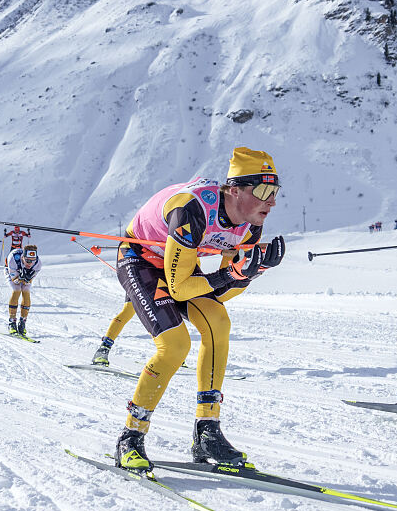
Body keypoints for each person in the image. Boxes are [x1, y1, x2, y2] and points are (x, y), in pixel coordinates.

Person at [113, 146, 286, 471]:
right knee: (175, 345)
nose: (271, 201)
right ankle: (130, 437)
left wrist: (251, 271)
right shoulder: (191, 209)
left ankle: (207, 431)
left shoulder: (250, 223)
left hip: (180, 265)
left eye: (275, 191)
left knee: (218, 321)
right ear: (234, 190)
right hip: (142, 260)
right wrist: (231, 273)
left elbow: (221, 294)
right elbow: (179, 288)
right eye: (263, 191)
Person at [6, 243, 42, 337]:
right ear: (23, 257)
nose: (30, 264)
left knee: (26, 291)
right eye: (28, 261)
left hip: (22, 274)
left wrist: (27, 279)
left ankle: (22, 322)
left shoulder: (37, 264)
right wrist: (20, 277)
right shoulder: (13, 259)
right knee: (16, 290)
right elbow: (15, 281)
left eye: (33, 261)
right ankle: (12, 322)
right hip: (13, 271)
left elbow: (28, 282)